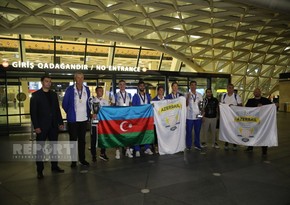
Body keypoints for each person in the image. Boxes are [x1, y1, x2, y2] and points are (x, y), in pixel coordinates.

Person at [30, 75, 64, 179]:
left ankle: (54, 166)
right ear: (42, 82)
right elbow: (33, 113)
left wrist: (60, 122)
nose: (48, 83)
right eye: (46, 81)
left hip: (53, 126)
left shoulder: (54, 95)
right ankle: (39, 171)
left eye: (50, 81)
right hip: (41, 126)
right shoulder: (36, 95)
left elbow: (57, 110)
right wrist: (36, 126)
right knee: (40, 149)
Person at [62, 71, 91, 168]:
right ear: (75, 79)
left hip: (83, 119)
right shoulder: (70, 89)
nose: (80, 79)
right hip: (73, 120)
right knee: (73, 140)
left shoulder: (87, 89)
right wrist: (70, 112)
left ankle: (82, 159)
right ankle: (73, 161)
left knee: (82, 140)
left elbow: (88, 103)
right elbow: (64, 104)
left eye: (82, 77)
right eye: (78, 77)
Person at [245, 87, 272, 155]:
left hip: (263, 122)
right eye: (255, 92)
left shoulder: (265, 100)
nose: (256, 93)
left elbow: (271, 107)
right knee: (251, 134)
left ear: (260, 92)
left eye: (257, 91)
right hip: (252, 122)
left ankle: (264, 150)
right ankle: (250, 147)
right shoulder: (250, 101)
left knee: (263, 135)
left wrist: (263, 106)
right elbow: (246, 109)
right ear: (253, 93)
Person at [111, 80, 133, 159]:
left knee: (127, 135)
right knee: (118, 134)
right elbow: (112, 106)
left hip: (127, 118)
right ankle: (117, 151)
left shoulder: (129, 95)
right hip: (118, 118)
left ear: (125, 85)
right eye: (120, 84)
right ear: (118, 86)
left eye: (123, 84)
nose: (122, 86)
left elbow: (131, 106)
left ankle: (127, 150)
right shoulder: (115, 95)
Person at [132, 80, 153, 157]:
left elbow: (150, 105)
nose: (142, 87)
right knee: (138, 133)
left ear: (144, 87)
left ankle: (147, 148)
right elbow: (134, 107)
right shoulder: (135, 96)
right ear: (138, 87)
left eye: (143, 86)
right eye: (140, 86)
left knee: (147, 133)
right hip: (139, 118)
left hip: (147, 117)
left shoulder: (148, 96)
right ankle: (137, 149)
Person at [89, 86, 109, 162]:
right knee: (94, 139)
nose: (101, 92)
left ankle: (103, 153)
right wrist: (91, 115)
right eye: (99, 90)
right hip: (95, 122)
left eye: (102, 90)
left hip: (103, 123)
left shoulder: (105, 101)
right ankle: (93, 155)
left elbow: (108, 111)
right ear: (96, 92)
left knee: (103, 138)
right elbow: (89, 111)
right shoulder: (92, 101)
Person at [221, 83, 242, 151]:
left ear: (233, 89)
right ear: (227, 88)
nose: (230, 89)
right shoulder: (224, 96)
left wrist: (233, 106)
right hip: (226, 117)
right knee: (226, 130)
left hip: (234, 117)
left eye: (231, 88)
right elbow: (221, 105)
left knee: (234, 130)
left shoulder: (236, 96)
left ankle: (234, 144)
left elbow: (240, 105)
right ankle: (226, 143)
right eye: (229, 88)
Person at [186, 81, 203, 150]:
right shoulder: (186, 94)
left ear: (196, 86)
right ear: (190, 86)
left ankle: (197, 144)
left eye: (194, 85)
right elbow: (185, 105)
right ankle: (188, 145)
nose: (193, 86)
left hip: (198, 115)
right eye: (192, 85)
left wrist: (202, 114)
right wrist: (187, 98)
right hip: (189, 116)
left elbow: (201, 105)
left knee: (197, 131)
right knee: (189, 131)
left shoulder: (199, 95)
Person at [152, 85, 166, 153]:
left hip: (164, 120)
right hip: (157, 120)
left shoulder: (166, 99)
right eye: (160, 90)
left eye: (162, 90)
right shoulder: (154, 100)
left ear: (163, 91)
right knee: (156, 133)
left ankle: (163, 146)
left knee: (164, 133)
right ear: (157, 91)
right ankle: (156, 146)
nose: (161, 92)